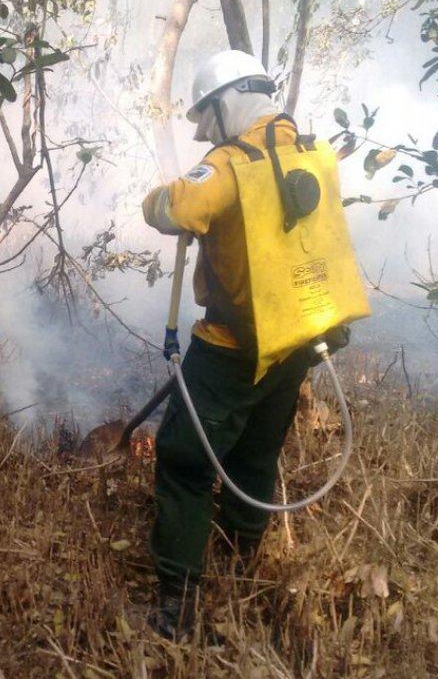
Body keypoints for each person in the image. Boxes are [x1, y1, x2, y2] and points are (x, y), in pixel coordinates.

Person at [140, 49, 348, 641]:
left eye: (206, 117)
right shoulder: (310, 151)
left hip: (231, 348)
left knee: (183, 461)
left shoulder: (230, 165)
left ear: (227, 102)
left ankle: (177, 602)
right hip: (298, 340)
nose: (204, 132)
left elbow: (173, 208)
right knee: (256, 453)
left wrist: (157, 198)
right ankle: (241, 559)